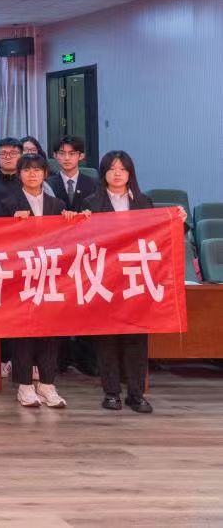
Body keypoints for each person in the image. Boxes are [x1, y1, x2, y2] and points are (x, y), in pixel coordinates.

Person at [85, 151, 186, 413]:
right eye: (112, 169)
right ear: (103, 173)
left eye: (122, 169)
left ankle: (136, 394)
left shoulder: (143, 201)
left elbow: (162, 232)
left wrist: (179, 220)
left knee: (136, 338)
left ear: (130, 173)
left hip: (136, 279)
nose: (117, 173)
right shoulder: (91, 203)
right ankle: (111, 393)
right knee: (106, 339)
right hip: (105, 279)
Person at [0, 153, 75, 409]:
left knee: (50, 331)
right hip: (21, 276)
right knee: (24, 332)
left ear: (45, 174)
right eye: (27, 170)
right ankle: (24, 385)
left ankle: (47, 384)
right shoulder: (7, 204)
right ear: (19, 174)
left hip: (50, 276)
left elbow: (68, 238)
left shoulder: (57, 204)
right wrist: (11, 224)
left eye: (37, 170)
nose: (32, 174)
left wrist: (74, 218)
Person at [48, 135, 96, 212]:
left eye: (72, 153)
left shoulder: (92, 183)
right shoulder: (48, 184)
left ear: (81, 156)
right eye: (62, 153)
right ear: (55, 155)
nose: (67, 158)